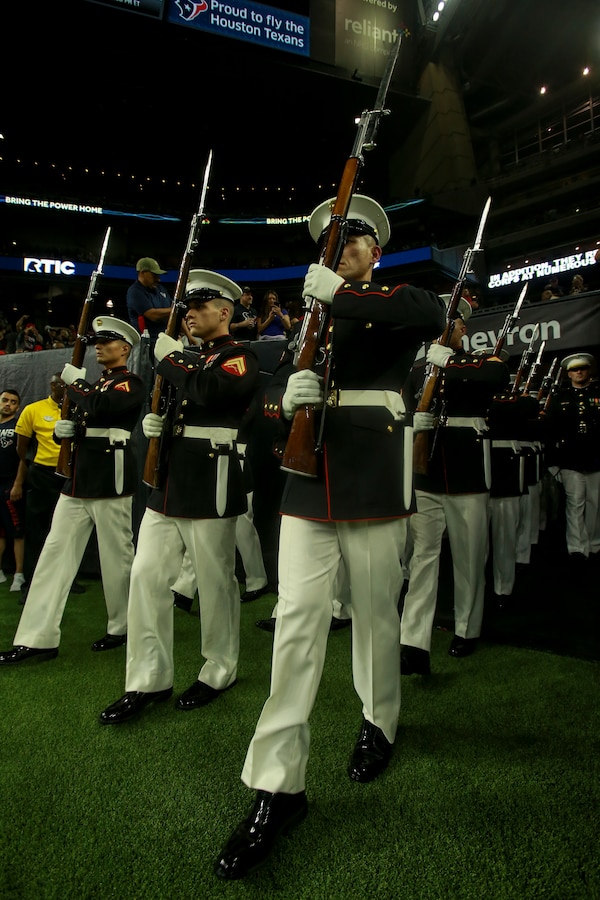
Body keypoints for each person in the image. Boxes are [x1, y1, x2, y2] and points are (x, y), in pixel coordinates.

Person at [214, 195, 446, 880]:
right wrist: (289, 394)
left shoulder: (392, 295)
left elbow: (426, 317)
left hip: (372, 473)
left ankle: (380, 720)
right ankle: (277, 787)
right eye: (331, 240)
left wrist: (340, 295)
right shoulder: (310, 317)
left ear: (376, 249)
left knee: (376, 614)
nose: (341, 245)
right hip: (308, 478)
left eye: (354, 237)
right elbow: (272, 390)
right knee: (295, 625)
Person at [99, 269, 260, 725]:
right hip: (168, 482)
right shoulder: (186, 357)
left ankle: (220, 668)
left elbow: (211, 389)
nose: (188, 315)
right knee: (146, 575)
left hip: (210, 477)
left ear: (224, 312)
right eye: (185, 309)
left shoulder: (239, 357)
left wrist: (170, 360)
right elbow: (180, 400)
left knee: (214, 582)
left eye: (199, 308)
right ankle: (148, 678)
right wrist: (158, 425)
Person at [0, 317, 145, 665]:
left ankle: (122, 626)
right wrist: (64, 432)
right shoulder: (95, 384)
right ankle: (37, 637)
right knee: (53, 555)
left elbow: (102, 407)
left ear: (124, 348)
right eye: (96, 340)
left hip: (110, 477)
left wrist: (77, 386)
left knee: (117, 559)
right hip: (77, 480)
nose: (99, 345)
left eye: (107, 340)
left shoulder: (130, 383)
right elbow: (86, 415)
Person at [399, 301, 510, 675]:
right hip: (427, 471)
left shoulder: (479, 361)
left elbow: (498, 377)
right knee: (422, 558)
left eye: (457, 324)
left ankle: (467, 628)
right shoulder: (416, 369)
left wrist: (449, 362)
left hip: (466, 473)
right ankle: (413, 641)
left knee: (468, 556)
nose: (456, 329)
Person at [11, 373, 86, 602]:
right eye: (63, 385)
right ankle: (32, 583)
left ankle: (68, 579)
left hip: (70, 475)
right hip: (42, 475)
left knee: (69, 531)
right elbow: (22, 447)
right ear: (53, 385)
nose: (67, 388)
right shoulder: (33, 409)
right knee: (37, 529)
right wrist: (28, 468)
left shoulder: (79, 409)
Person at [544, 352, 600, 561]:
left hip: (596, 459)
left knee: (595, 505)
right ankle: (577, 547)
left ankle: (594, 544)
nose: (579, 372)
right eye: (575, 369)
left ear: (589, 371)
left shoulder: (597, 394)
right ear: (568, 374)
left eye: (583, 368)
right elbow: (549, 432)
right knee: (574, 504)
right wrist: (552, 463)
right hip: (569, 460)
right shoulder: (560, 399)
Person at [0, 389, 25, 591]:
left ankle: (19, 574)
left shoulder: (18, 426)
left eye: (13, 402)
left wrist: (17, 483)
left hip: (11, 484)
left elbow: (24, 458)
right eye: (5, 400)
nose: (8, 404)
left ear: (18, 406)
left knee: (17, 530)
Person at [126, 257, 172, 347]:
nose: (158, 279)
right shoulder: (135, 291)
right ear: (142, 273)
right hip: (146, 345)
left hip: (165, 341)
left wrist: (189, 337)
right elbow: (153, 315)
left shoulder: (161, 289)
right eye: (154, 275)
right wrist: (177, 309)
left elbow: (174, 313)